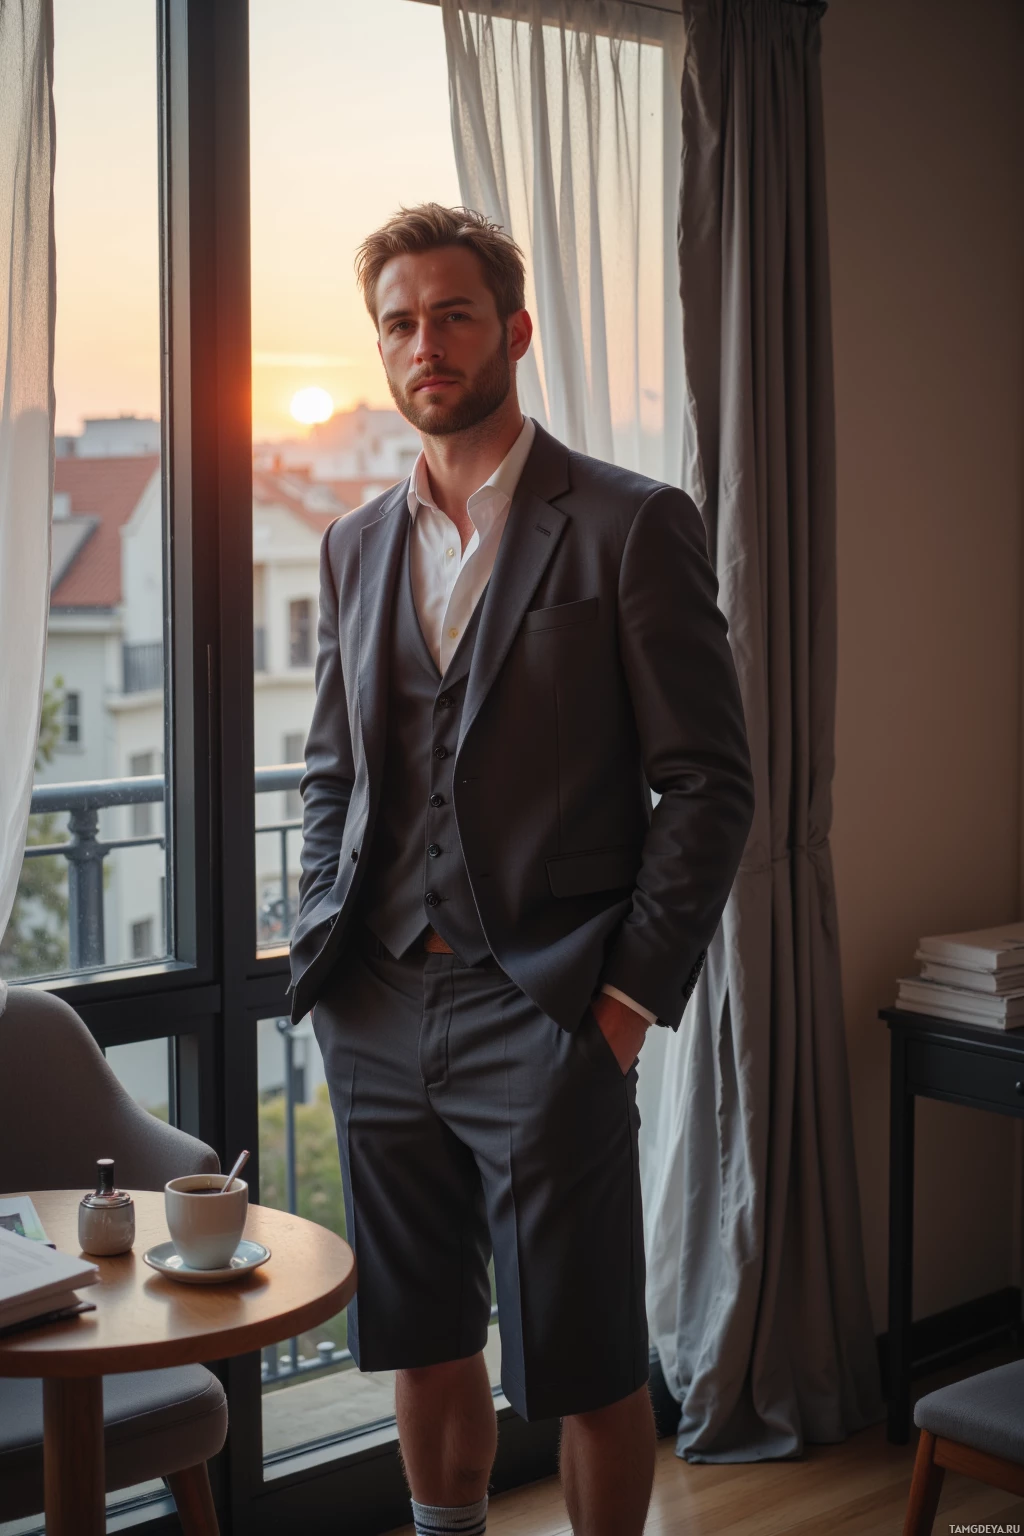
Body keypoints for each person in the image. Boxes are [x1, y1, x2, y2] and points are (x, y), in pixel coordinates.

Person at [289, 203, 754, 1536]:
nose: (424, 343)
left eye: (452, 314)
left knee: (586, 1359)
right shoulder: (354, 544)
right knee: (425, 1340)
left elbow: (712, 787)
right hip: (379, 1008)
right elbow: (336, 771)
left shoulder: (626, 524)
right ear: (379, 346)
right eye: (399, 321)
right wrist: (326, 946)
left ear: (513, 332)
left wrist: (621, 1011)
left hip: (549, 1011)